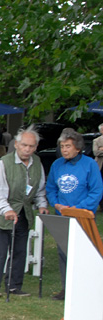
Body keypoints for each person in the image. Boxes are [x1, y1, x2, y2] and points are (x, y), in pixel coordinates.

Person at [0, 129, 48, 297]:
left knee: (19, 251)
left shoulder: (37, 163)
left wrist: (41, 205)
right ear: (17, 145)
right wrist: (7, 209)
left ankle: (14, 285)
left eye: (31, 146)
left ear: (36, 147)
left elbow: (39, 189)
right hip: (2, 214)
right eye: (24, 145)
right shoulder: (4, 163)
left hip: (23, 213)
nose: (27, 149)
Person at [45, 128, 103, 300]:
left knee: (83, 253)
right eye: (62, 146)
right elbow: (51, 189)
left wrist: (77, 209)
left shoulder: (90, 164)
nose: (64, 150)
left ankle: (83, 289)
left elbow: (96, 191)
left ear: (78, 148)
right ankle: (66, 289)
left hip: (83, 216)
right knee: (63, 252)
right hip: (62, 216)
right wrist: (56, 204)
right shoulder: (57, 165)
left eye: (68, 146)